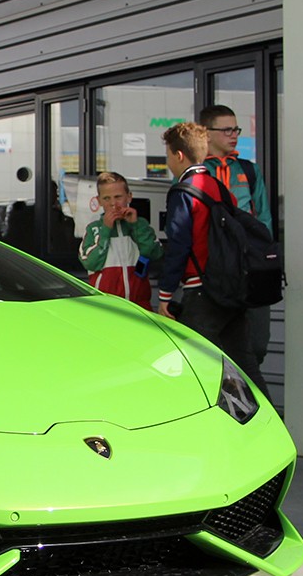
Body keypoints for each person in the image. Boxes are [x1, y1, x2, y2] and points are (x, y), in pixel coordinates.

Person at [155, 122, 265, 392]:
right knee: (244, 362)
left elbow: (179, 244)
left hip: (201, 290)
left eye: (168, 155)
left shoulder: (184, 191)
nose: (168, 162)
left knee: (194, 364)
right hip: (231, 288)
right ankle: (267, 421)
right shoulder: (218, 187)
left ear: (179, 155)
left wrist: (165, 294)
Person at [200, 104, 273, 363]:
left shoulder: (249, 170)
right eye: (227, 129)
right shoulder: (197, 171)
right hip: (214, 271)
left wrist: (264, 259)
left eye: (236, 129)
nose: (234, 135)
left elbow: (264, 218)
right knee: (212, 345)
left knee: (257, 345)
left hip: (249, 269)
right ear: (206, 134)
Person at [79, 171, 161, 308]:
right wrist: (105, 230)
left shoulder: (140, 224)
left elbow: (154, 253)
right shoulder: (94, 229)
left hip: (139, 304)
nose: (113, 204)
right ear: (99, 201)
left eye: (118, 197)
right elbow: (90, 263)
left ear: (129, 197)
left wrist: (136, 226)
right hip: (106, 306)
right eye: (106, 198)